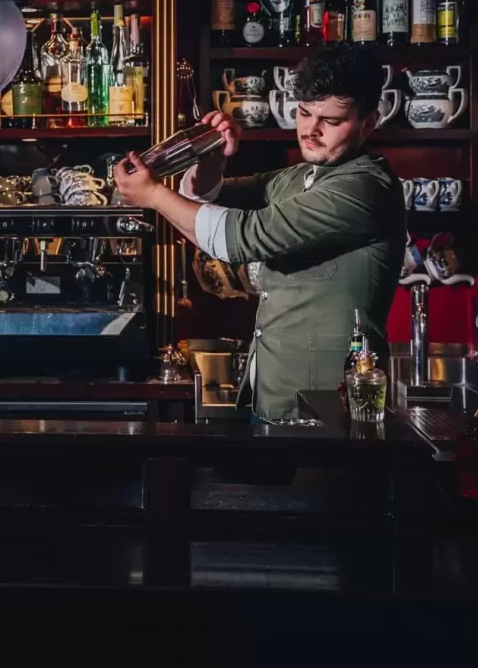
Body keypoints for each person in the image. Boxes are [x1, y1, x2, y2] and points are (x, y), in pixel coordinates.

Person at [113, 45, 406, 422]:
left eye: (331, 121)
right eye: (303, 113)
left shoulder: (364, 187)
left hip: (330, 411)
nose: (310, 131)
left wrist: (152, 195)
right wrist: (213, 158)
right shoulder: (296, 177)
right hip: (271, 399)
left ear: (368, 123)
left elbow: (241, 237)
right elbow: (207, 199)